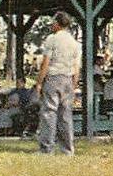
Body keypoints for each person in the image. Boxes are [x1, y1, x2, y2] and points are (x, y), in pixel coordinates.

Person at [35, 10, 81, 155]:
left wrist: (39, 82)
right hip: (68, 79)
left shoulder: (52, 39)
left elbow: (46, 63)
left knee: (49, 112)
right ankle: (67, 149)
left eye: (53, 22)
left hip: (53, 78)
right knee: (65, 115)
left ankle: (46, 148)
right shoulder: (75, 43)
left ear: (57, 23)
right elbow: (76, 66)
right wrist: (74, 83)